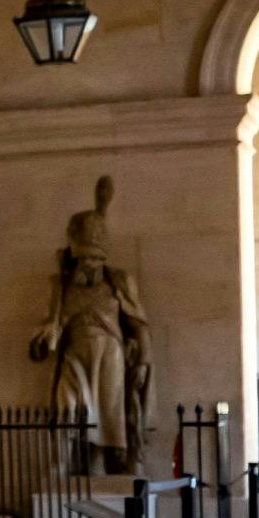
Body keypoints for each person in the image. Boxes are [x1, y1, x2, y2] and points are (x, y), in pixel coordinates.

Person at [29, 175, 152, 475]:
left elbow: (139, 325)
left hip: (110, 355)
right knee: (69, 407)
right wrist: (47, 337)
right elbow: (48, 330)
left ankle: (105, 465)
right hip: (74, 356)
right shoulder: (61, 287)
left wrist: (144, 361)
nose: (90, 267)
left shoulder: (118, 282)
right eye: (85, 261)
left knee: (108, 416)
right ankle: (63, 464)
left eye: (96, 261)